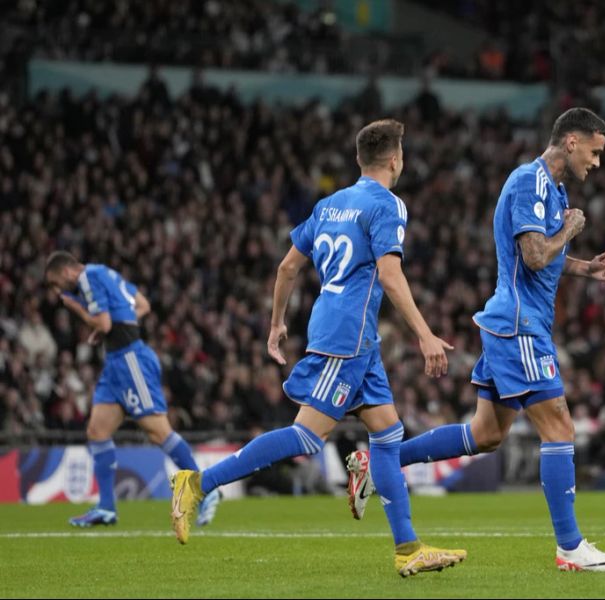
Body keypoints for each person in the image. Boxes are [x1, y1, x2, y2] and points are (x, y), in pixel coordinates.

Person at [168, 119, 466, 578]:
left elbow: (288, 267)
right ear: (394, 159)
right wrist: (425, 334)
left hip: (354, 336)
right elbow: (389, 274)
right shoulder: (388, 204)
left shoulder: (329, 205)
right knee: (308, 435)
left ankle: (408, 548)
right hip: (345, 336)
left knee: (387, 434)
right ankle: (199, 483)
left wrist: (276, 324)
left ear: (358, 159)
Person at [346, 108, 605, 573]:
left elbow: (545, 257)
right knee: (559, 428)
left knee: (487, 434)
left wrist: (585, 267)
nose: (597, 163)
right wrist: (570, 229)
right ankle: (571, 547)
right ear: (572, 142)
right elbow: (535, 255)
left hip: (514, 322)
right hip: (518, 324)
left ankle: (377, 463)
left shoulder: (554, 190)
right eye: (595, 152)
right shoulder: (528, 182)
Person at [44, 252, 222, 527]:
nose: (59, 290)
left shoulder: (86, 278)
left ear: (67, 271)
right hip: (116, 362)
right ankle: (106, 507)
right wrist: (109, 328)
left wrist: (76, 308)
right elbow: (142, 306)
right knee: (97, 431)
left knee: (157, 430)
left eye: (57, 283)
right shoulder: (105, 272)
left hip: (130, 360)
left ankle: (206, 489)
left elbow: (103, 321)